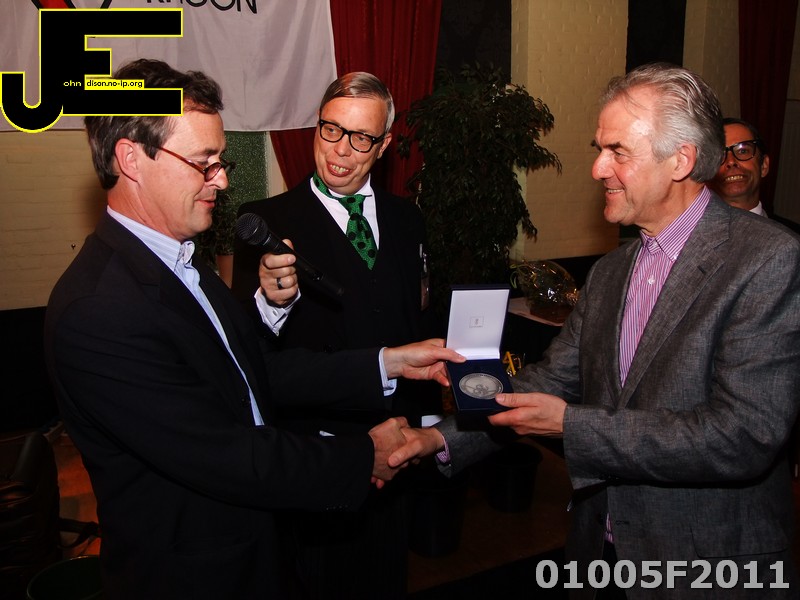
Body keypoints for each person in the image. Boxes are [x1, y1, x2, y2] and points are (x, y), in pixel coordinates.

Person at [43, 58, 463, 600]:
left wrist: (387, 362)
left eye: (220, 162)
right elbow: (221, 455)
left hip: (258, 544)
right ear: (131, 159)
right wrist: (364, 455)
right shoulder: (98, 311)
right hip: (198, 575)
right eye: (204, 163)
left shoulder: (182, 262)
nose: (221, 180)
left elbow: (254, 374)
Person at [394, 63, 800, 598]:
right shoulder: (611, 271)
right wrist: (436, 438)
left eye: (618, 152)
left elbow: (742, 436)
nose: (597, 168)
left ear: (680, 160)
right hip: (599, 550)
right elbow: (552, 380)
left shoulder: (766, 258)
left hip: (704, 561)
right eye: (599, 148)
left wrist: (571, 426)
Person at [230, 71, 439, 599]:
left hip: (397, 454)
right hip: (316, 462)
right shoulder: (264, 223)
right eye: (331, 130)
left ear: (384, 145)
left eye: (361, 137)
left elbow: (415, 324)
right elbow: (248, 360)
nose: (341, 150)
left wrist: (426, 427)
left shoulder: (407, 220)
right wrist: (270, 304)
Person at [709, 117, 800, 233]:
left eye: (743, 151)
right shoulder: (689, 236)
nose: (731, 161)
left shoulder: (792, 237)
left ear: (764, 166)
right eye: (719, 155)